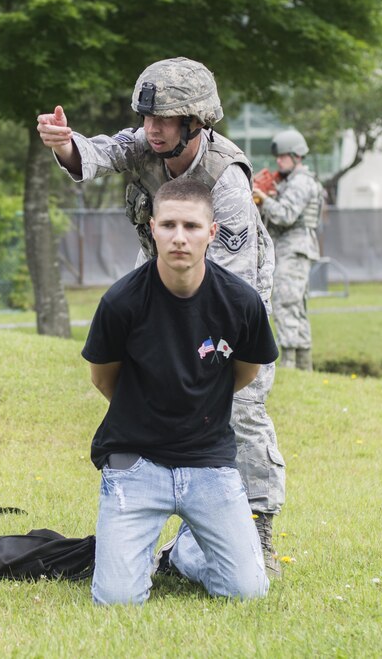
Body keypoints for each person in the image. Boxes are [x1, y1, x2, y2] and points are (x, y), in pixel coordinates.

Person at [36, 57, 285, 577]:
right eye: (148, 116)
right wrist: (65, 143)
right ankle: (153, 515)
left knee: (242, 407)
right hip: (160, 281)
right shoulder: (146, 144)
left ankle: (255, 526)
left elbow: (231, 292)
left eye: (166, 118)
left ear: (197, 122)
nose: (153, 127)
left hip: (230, 290)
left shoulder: (228, 181)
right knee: (147, 387)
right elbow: (101, 151)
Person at [83, 178, 277, 605]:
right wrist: (148, 410)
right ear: (152, 228)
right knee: (116, 601)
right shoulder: (121, 303)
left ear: (212, 232)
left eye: (191, 226)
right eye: (168, 224)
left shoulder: (241, 303)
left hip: (209, 462)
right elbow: (103, 378)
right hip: (135, 462)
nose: (179, 237)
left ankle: (184, 551)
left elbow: (244, 371)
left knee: (247, 592)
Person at [254, 129, 325, 372]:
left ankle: (290, 364)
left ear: (297, 156)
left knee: (286, 304)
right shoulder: (291, 182)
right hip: (293, 249)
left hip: (293, 249)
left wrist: (264, 198)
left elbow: (286, 215)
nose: (279, 161)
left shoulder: (301, 182)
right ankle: (304, 367)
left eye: (283, 156)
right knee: (295, 305)